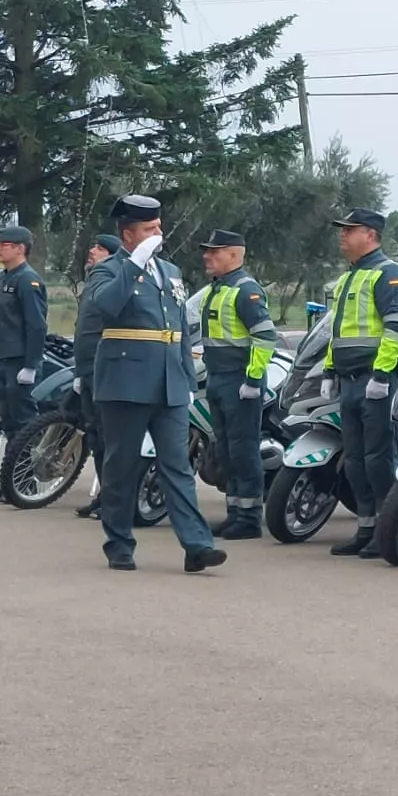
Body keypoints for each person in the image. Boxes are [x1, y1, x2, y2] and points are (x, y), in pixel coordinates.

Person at [82, 195, 225, 574]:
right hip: (125, 381)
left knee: (177, 465)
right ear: (128, 234)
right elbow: (105, 307)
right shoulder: (108, 269)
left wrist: (186, 380)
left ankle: (196, 545)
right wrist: (134, 263)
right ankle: (119, 542)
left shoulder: (171, 271)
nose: (156, 234)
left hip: (169, 382)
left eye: (158, 227)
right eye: (148, 229)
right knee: (122, 466)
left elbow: (175, 326)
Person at [320, 208, 398, 559]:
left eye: (349, 230)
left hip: (376, 381)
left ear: (370, 235)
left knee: (378, 459)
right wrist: (330, 370)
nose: (342, 235)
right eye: (341, 229)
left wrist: (380, 375)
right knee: (355, 461)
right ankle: (366, 526)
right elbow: (337, 332)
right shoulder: (349, 278)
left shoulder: (387, 274)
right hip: (349, 380)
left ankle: (388, 530)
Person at [197, 230, 281, 539]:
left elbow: (265, 337)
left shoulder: (245, 291)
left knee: (243, 451)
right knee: (226, 451)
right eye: (207, 251)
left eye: (214, 252)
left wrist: (253, 379)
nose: (207, 256)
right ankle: (234, 512)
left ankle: (248, 518)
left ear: (234, 255)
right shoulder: (216, 289)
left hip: (238, 381)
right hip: (218, 378)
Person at [0, 225, 49, 503]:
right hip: (2, 357)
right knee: (9, 422)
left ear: (20, 248)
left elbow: (36, 326)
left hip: (20, 360)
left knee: (23, 423)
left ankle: (25, 482)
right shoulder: (2, 278)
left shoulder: (28, 280)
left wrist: (31, 364)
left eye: (5, 244)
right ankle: (13, 480)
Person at [70, 234, 121, 519]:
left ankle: (114, 500)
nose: (92, 251)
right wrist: (79, 371)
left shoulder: (112, 284)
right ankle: (104, 496)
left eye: (100, 248)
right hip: (88, 367)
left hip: (106, 369)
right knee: (96, 437)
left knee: (110, 437)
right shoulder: (93, 283)